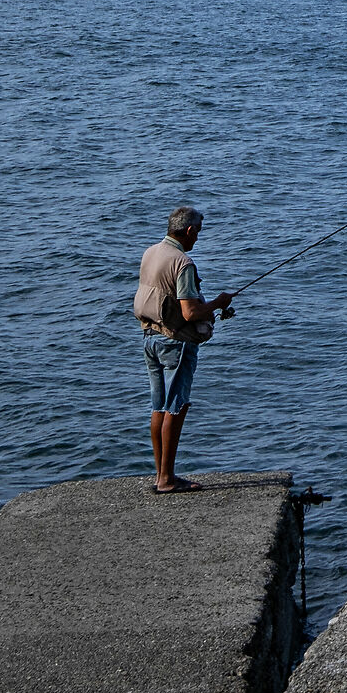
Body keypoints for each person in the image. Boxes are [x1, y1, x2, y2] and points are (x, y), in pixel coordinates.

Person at [133, 206, 233, 495]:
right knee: (176, 407)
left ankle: (161, 474)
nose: (197, 238)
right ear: (189, 231)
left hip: (150, 337)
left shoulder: (151, 252)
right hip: (175, 343)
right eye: (198, 232)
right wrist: (218, 302)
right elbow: (190, 313)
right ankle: (166, 480)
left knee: (158, 406)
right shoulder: (183, 263)